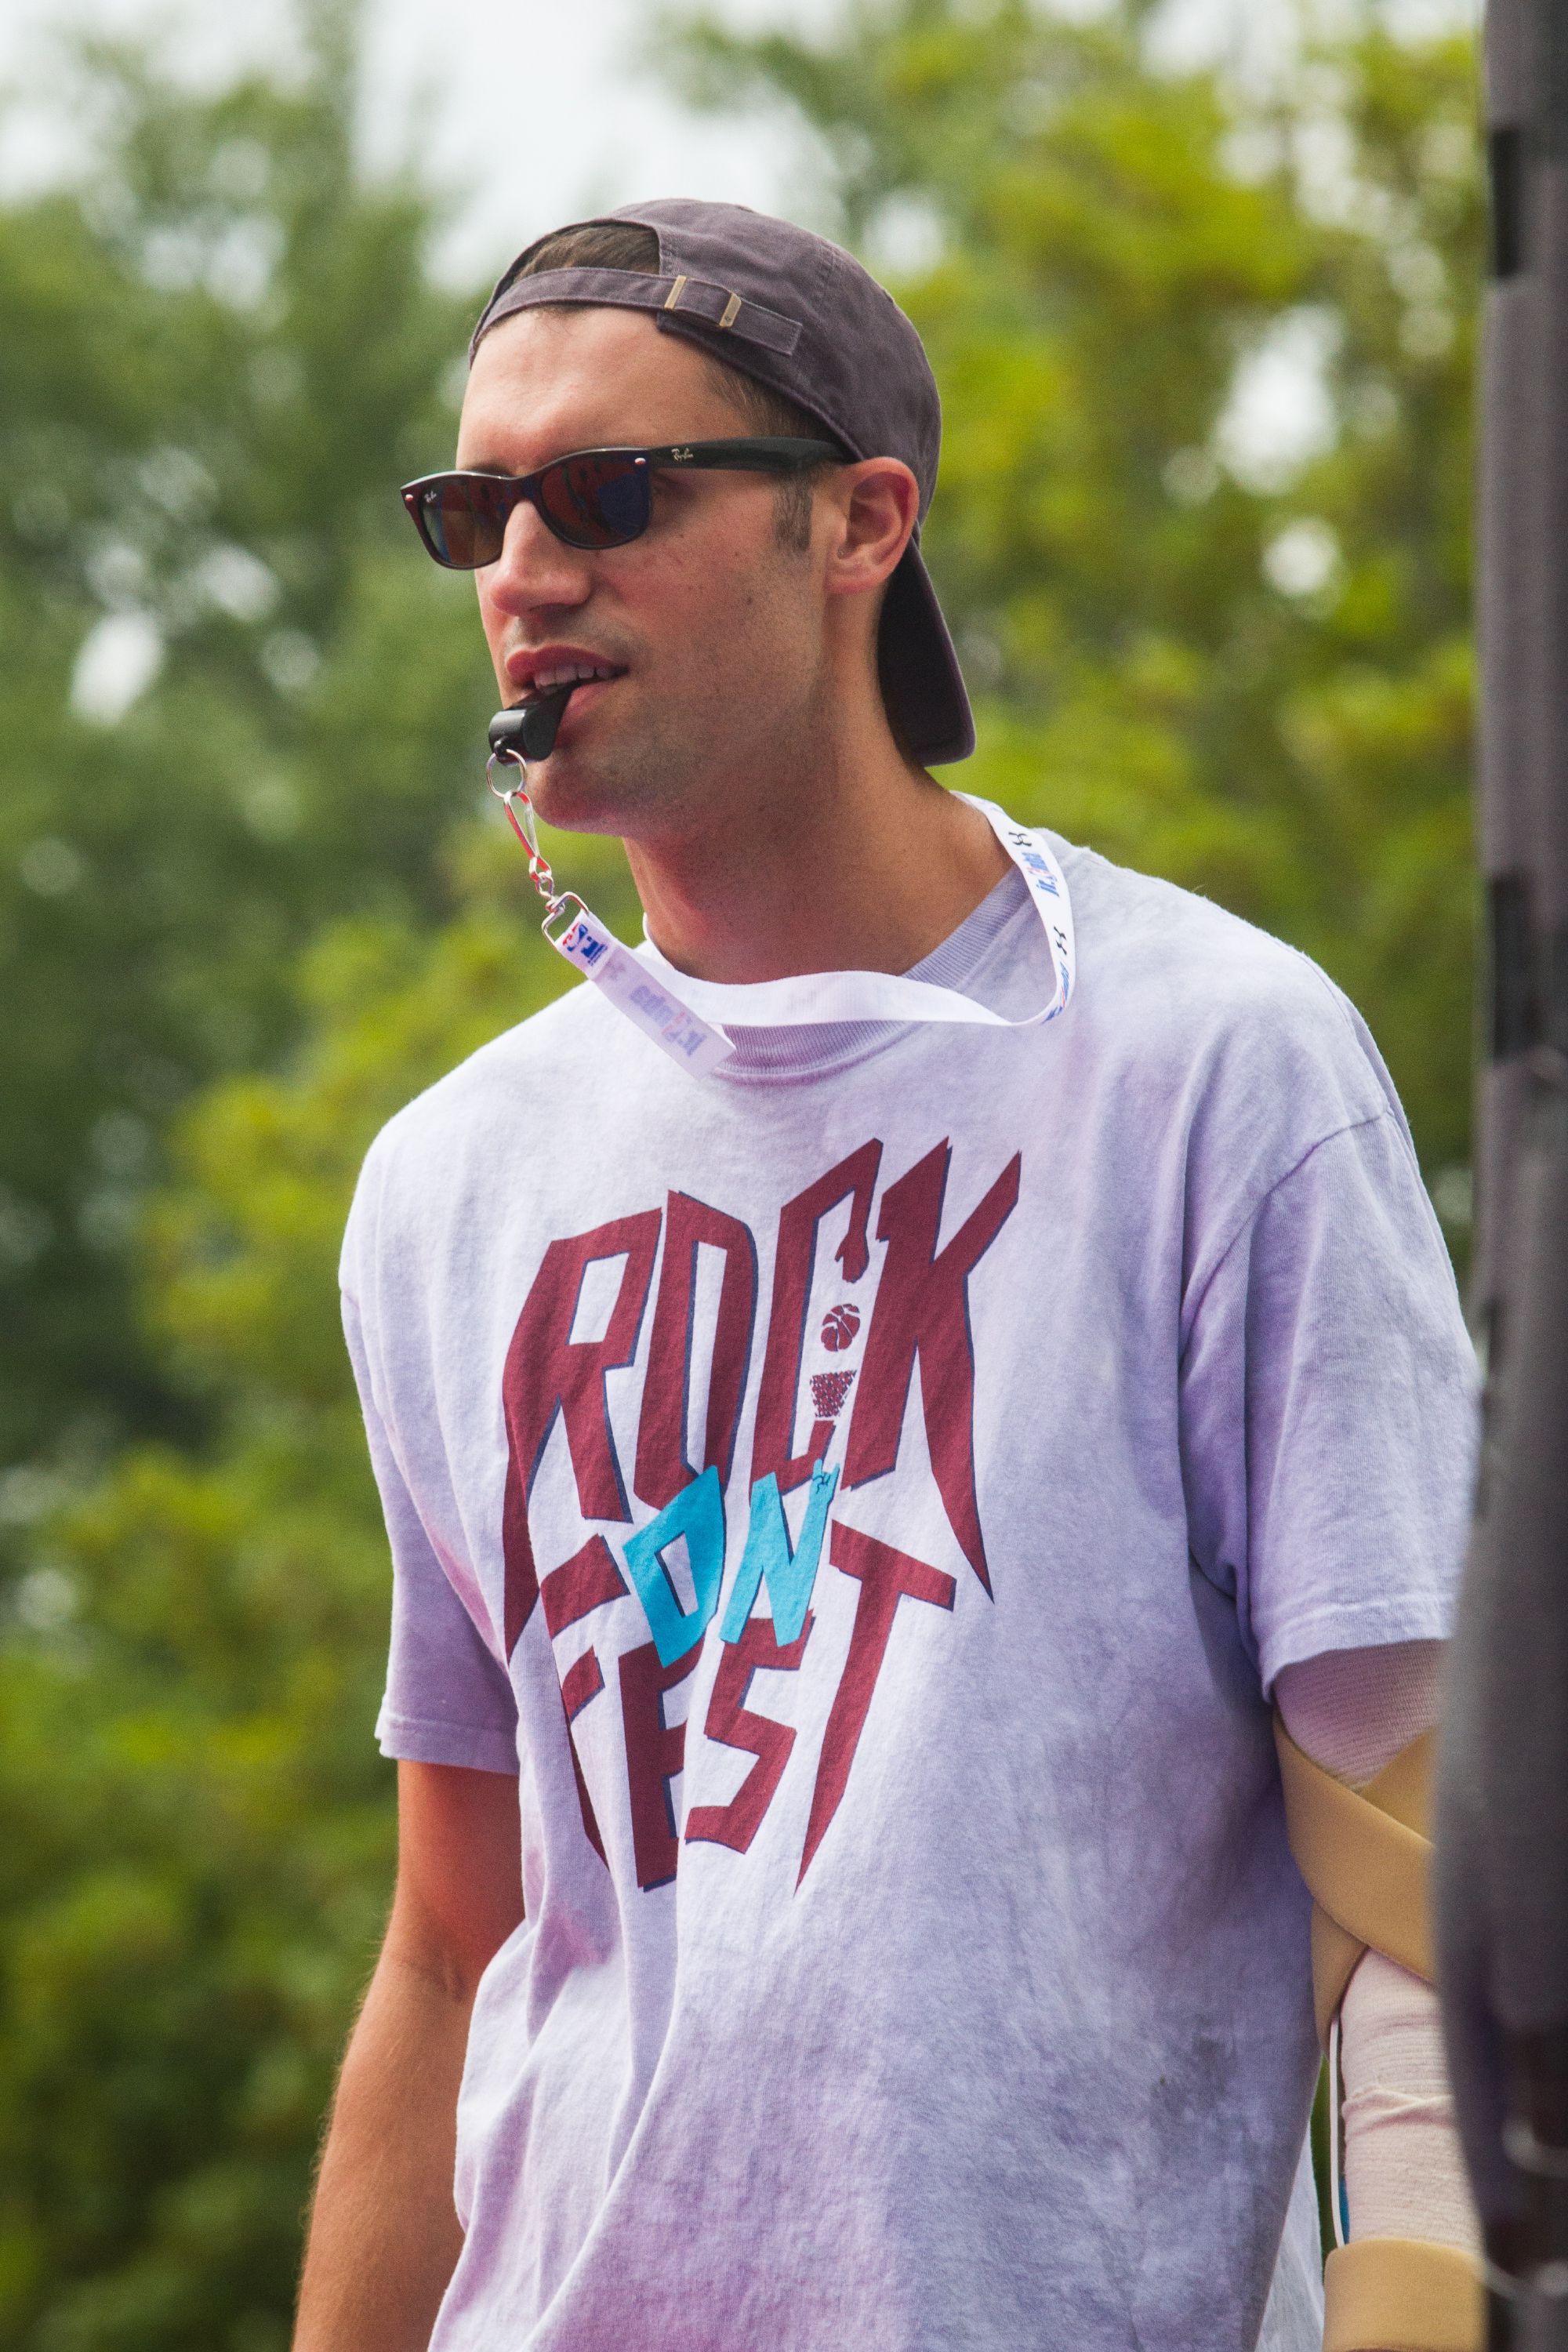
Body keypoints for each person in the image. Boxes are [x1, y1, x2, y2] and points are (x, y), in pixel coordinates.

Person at [293, 201, 1483, 2352]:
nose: (525, 572)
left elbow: (1424, 1886)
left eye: (612, 493)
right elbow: (450, 1949)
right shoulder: (444, 1183)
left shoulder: (1219, 1066)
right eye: (478, 508)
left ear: (858, 528)